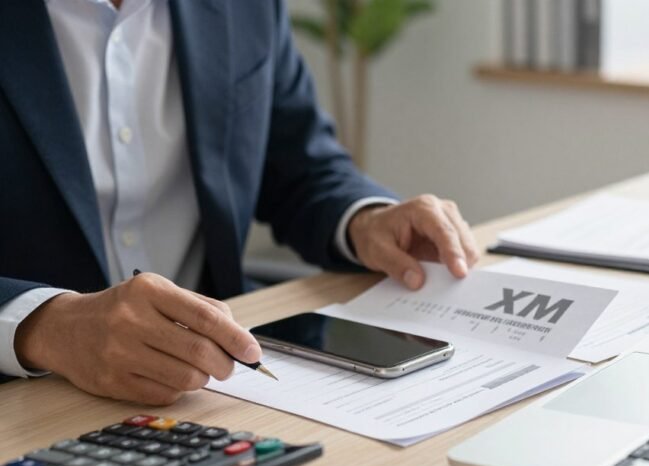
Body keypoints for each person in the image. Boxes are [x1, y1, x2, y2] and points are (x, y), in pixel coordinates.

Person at [0, 0, 480, 405]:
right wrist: (42, 325)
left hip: (213, 386)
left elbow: (299, 162)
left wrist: (366, 217)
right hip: (33, 397)